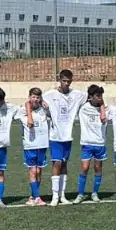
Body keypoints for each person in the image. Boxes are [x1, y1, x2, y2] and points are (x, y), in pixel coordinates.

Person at [43, 70, 83, 206]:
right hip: (55, 136)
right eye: (64, 81)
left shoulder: (77, 95)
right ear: (59, 80)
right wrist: (42, 104)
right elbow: (33, 99)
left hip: (68, 136)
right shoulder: (49, 95)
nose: (66, 83)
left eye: (69, 81)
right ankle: (55, 196)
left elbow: (93, 96)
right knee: (57, 163)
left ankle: (62, 195)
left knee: (64, 164)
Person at [17, 88, 51, 206]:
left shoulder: (43, 110)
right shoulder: (22, 111)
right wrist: (28, 108)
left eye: (37, 97)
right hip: (30, 145)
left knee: (39, 171)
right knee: (33, 170)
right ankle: (37, 197)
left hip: (42, 144)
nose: (35, 99)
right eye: (33, 97)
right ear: (29, 97)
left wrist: (44, 103)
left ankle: (33, 196)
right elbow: (25, 106)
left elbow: (52, 113)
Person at [76, 84, 108, 202]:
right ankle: (80, 194)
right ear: (90, 96)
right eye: (97, 96)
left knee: (98, 168)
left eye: (101, 96)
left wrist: (102, 108)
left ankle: (95, 193)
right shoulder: (83, 108)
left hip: (100, 143)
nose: (100, 98)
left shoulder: (105, 109)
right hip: (87, 143)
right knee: (84, 168)